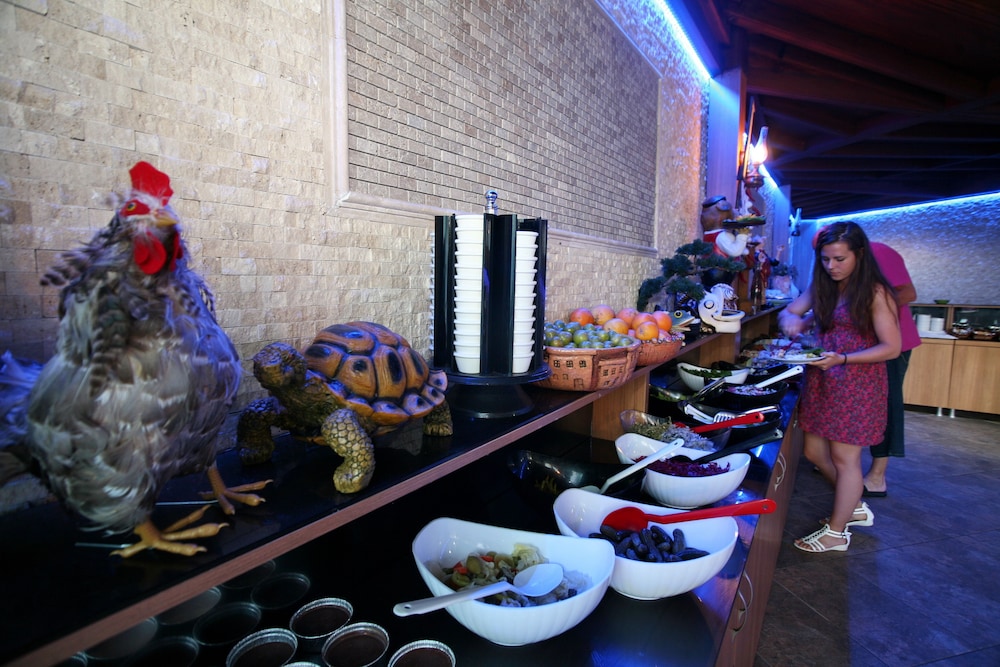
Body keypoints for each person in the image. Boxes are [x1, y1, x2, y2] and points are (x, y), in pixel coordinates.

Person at [778, 221, 901, 552]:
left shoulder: (875, 292)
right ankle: (854, 505)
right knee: (813, 452)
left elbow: (892, 347)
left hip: (857, 384)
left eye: (839, 259)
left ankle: (836, 533)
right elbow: (791, 311)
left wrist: (844, 359)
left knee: (845, 459)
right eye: (825, 259)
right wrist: (793, 321)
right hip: (823, 379)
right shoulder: (825, 285)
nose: (831, 266)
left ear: (859, 255)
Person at [864, 243, 921, 496]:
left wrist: (871, 309)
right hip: (865, 343)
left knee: (886, 404)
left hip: (893, 342)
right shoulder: (840, 262)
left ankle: (877, 477)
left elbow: (908, 293)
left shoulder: (879, 253)